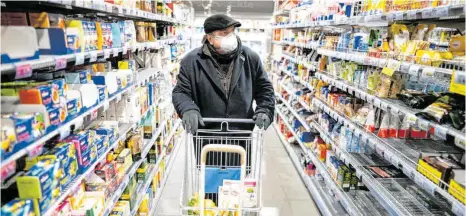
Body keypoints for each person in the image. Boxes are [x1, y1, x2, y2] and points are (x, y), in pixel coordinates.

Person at [172, 14, 275, 133]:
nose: (230, 37)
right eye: (224, 33)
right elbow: (180, 92)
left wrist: (265, 109)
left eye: (232, 32)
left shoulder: (250, 58)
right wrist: (188, 108)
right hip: (206, 134)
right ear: (210, 39)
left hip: (241, 134)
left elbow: (265, 89)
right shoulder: (191, 61)